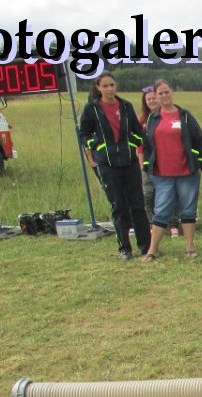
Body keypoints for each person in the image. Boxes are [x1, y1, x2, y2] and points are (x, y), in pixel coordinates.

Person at [79, 71, 151, 260]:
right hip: (108, 164)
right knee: (118, 206)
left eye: (112, 85)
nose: (110, 89)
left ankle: (146, 246)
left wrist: (132, 144)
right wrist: (97, 146)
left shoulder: (125, 106)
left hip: (129, 162)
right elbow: (83, 133)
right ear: (98, 88)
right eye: (105, 86)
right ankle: (124, 248)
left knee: (138, 205)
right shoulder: (92, 108)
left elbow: (138, 131)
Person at [140, 79, 202, 261]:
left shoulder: (184, 116)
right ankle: (152, 250)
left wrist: (200, 163)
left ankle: (190, 247)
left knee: (188, 210)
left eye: (166, 92)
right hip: (162, 175)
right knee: (161, 210)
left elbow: (199, 140)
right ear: (156, 96)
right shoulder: (152, 118)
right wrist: (147, 164)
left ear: (172, 92)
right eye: (160, 93)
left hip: (187, 173)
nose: (164, 96)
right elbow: (146, 145)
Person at [138, 86, 160, 223]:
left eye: (154, 98)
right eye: (149, 99)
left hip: (163, 161)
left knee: (163, 192)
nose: (152, 101)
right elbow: (139, 145)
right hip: (147, 162)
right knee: (147, 193)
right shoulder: (141, 121)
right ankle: (150, 222)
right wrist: (141, 164)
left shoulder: (167, 115)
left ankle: (168, 221)